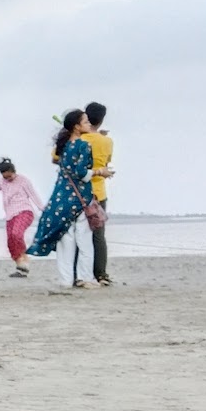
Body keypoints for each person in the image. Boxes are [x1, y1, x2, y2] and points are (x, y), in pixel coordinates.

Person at [26, 109, 101, 289]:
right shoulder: (83, 146)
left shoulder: (63, 145)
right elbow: (82, 173)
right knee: (84, 241)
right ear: (76, 126)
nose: (89, 124)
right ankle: (86, 278)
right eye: (85, 121)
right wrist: (100, 172)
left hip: (61, 198)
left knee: (65, 242)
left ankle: (66, 280)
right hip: (80, 198)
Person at [82, 101, 114, 285]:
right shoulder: (107, 141)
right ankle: (101, 274)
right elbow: (107, 161)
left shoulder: (77, 139)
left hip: (77, 192)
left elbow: (56, 157)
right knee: (98, 234)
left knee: (77, 235)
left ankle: (79, 273)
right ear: (101, 120)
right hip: (98, 192)